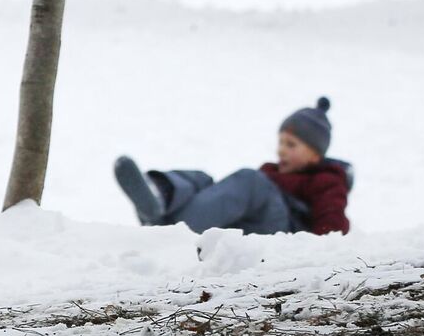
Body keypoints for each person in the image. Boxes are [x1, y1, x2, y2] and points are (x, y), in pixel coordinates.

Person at [113, 97, 351, 236]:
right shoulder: (272, 172)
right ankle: (160, 195)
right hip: (249, 229)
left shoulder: (326, 181)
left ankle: (173, 234)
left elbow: (332, 234)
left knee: (252, 181)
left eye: (291, 144)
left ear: (314, 154)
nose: (281, 150)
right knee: (204, 181)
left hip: (286, 237)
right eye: (280, 142)